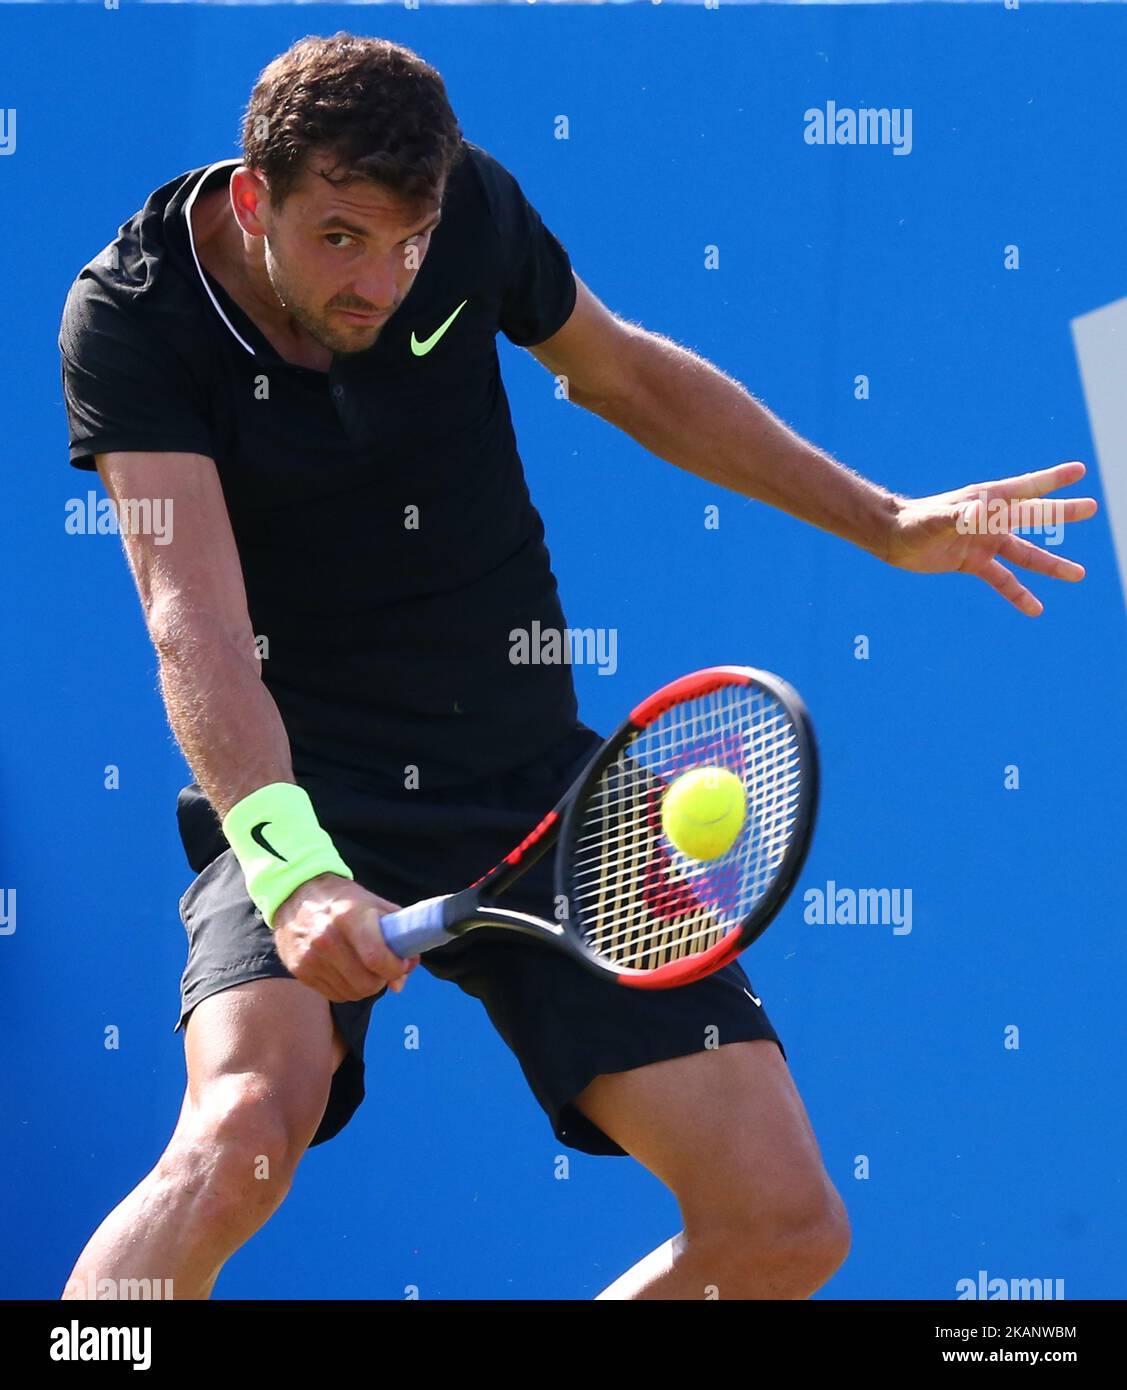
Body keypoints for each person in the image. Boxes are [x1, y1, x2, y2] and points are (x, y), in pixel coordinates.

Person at [57, 32, 1095, 1301]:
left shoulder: (472, 210)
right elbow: (193, 619)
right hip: (301, 785)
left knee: (778, 1222)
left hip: (536, 786)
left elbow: (619, 372)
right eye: (339, 238)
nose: (379, 281)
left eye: (408, 241)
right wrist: (288, 867)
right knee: (234, 1148)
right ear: (250, 200)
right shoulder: (132, 315)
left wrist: (882, 520)